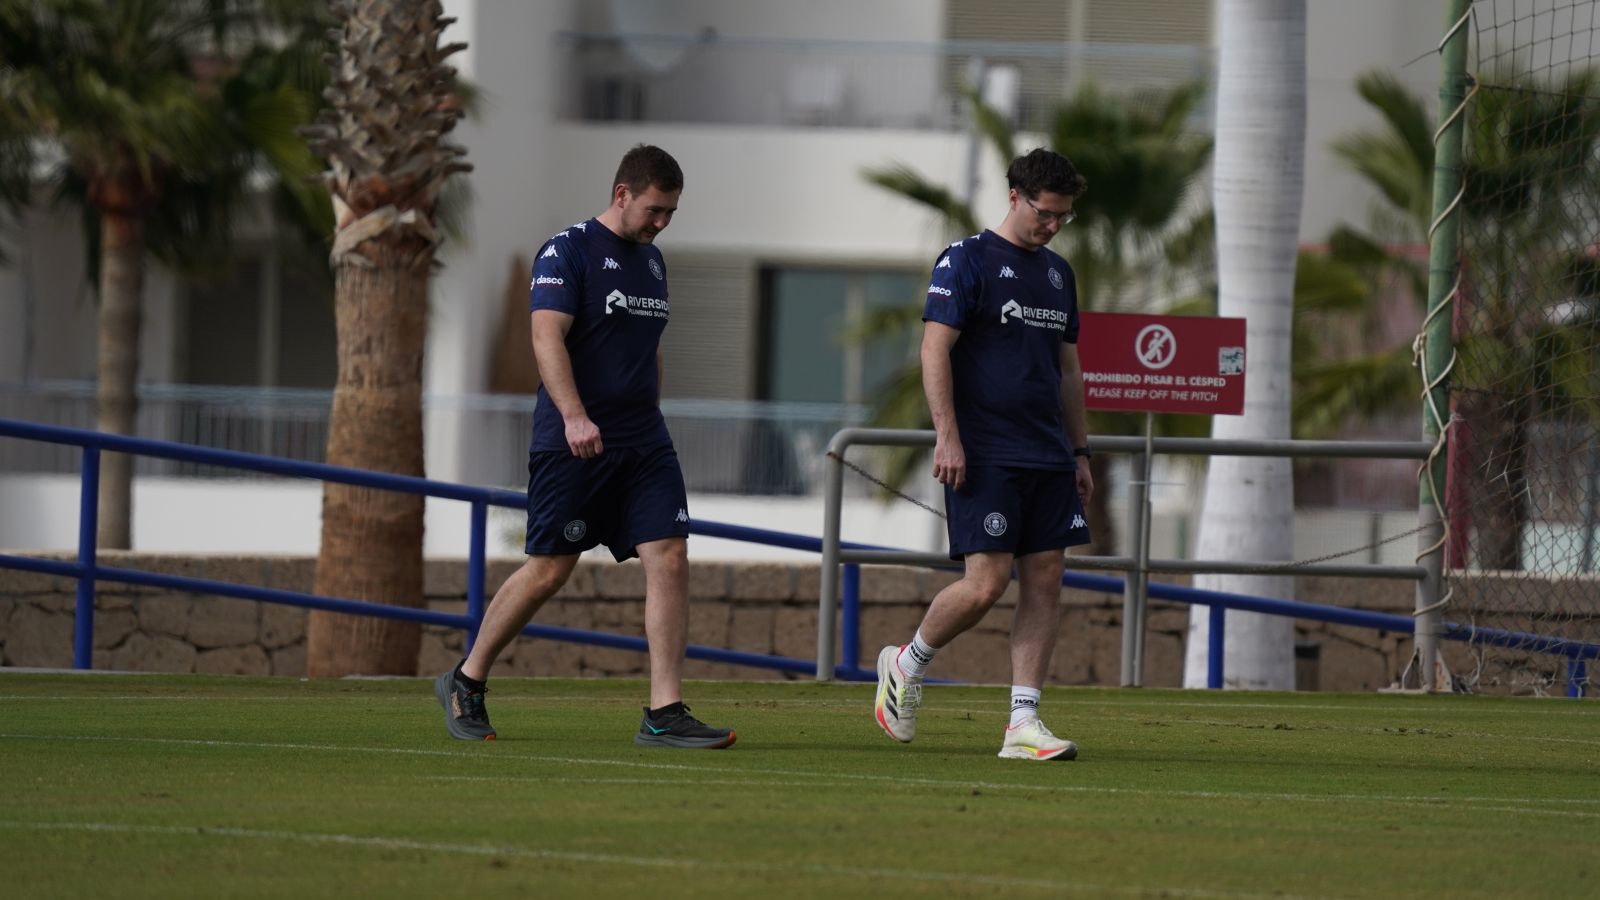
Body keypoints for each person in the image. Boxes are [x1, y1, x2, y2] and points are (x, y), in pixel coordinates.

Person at [436, 144, 735, 749]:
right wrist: (574, 417)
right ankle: (466, 678)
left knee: (670, 555)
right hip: (573, 441)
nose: (661, 223)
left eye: (671, 213)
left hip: (642, 442)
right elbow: (545, 336)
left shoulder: (653, 265)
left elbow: (648, 349)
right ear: (622, 193)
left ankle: (664, 711)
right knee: (550, 569)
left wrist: (651, 413)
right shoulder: (566, 250)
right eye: (655, 209)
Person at [873, 148, 1092, 761]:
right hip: (984, 451)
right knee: (986, 584)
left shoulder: (1058, 274)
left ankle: (1023, 724)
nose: (1053, 226)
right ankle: (908, 664)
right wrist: (947, 435)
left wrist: (1080, 451)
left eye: (1064, 218)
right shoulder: (966, 259)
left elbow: (1069, 370)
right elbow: (933, 350)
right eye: (1047, 214)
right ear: (1016, 197)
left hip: (1048, 453)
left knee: (1046, 578)